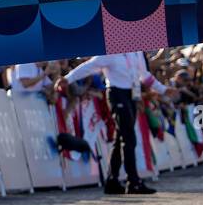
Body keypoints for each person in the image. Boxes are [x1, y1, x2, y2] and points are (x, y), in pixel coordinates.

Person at [56, 52, 171, 195]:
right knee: (129, 137)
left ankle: (112, 181)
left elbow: (145, 75)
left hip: (132, 95)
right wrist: (68, 79)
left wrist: (164, 89)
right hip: (117, 94)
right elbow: (89, 66)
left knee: (121, 138)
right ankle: (133, 181)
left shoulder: (137, 53)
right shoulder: (111, 53)